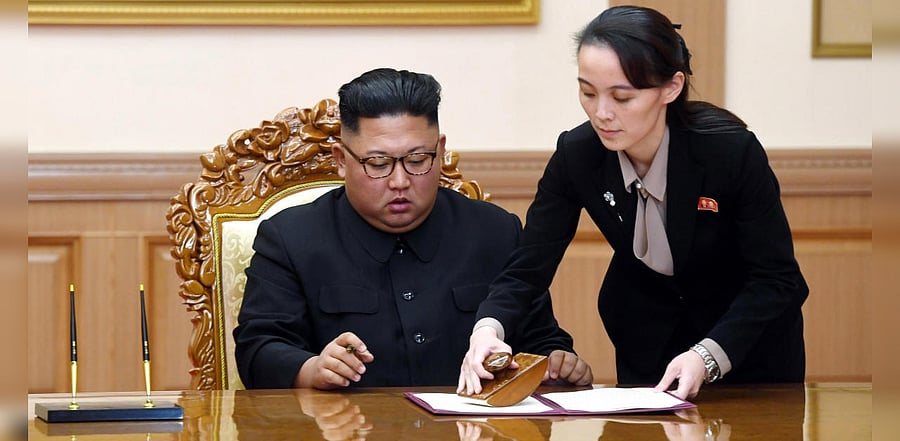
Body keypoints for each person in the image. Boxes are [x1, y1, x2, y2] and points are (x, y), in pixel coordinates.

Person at [458, 5, 808, 400]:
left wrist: (707, 356)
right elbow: (527, 269)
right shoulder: (578, 155)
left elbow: (776, 278)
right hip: (648, 340)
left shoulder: (730, 153)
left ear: (671, 88)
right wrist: (487, 330)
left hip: (747, 346)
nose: (601, 113)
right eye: (587, 92)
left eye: (622, 97)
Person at [233, 68, 593, 390]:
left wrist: (558, 360)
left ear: (441, 151)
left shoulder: (495, 232)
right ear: (341, 161)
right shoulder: (290, 238)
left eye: (418, 160)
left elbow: (541, 339)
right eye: (378, 164)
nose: (400, 181)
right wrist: (312, 368)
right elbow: (257, 350)